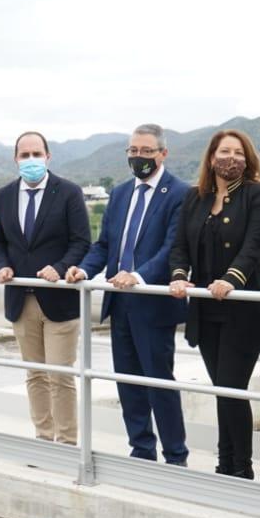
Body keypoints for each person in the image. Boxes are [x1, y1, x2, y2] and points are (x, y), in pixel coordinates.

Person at [67, 124, 190, 464]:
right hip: (118, 303)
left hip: (153, 305)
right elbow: (105, 245)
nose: (138, 157)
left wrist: (138, 275)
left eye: (146, 151)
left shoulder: (180, 193)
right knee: (128, 384)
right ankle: (141, 451)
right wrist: (84, 269)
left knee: (159, 383)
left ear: (163, 154)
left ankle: (176, 456)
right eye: (133, 151)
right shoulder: (120, 194)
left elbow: (172, 247)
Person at [168, 129, 260, 479]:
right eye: (223, 151)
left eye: (237, 152)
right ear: (211, 157)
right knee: (221, 389)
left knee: (232, 388)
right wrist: (178, 275)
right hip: (205, 309)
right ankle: (225, 465)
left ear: (247, 159)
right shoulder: (194, 198)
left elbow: (253, 246)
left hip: (242, 310)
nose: (230, 158)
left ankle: (241, 470)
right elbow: (180, 245)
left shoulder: (258, 195)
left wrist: (230, 280)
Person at [0, 131, 92, 443]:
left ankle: (67, 442)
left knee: (60, 375)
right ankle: (44, 438)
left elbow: (81, 241)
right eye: (25, 155)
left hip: (59, 300)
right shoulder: (4, 196)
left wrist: (60, 268)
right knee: (35, 375)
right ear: (15, 159)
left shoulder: (69, 193)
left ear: (48, 156)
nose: (31, 160)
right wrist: (1, 265)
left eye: (37, 154)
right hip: (21, 299)